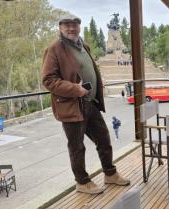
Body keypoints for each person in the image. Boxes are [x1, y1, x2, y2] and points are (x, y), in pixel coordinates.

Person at [42, 14, 130, 195]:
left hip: (90, 103)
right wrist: (75, 89)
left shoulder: (83, 45)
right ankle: (82, 182)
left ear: (79, 27)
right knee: (77, 147)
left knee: (104, 139)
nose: (71, 28)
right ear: (60, 28)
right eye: (67, 25)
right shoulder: (54, 48)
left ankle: (110, 174)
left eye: (74, 25)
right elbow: (49, 80)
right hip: (72, 107)